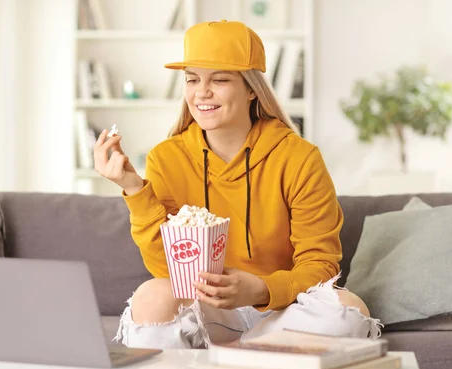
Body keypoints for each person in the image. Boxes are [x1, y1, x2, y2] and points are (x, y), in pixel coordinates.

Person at [94, 20, 382, 349]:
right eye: (192, 79)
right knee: (151, 297)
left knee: (349, 312)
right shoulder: (166, 158)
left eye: (219, 79)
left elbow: (320, 264)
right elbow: (168, 271)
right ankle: (256, 352)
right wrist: (133, 187)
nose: (202, 92)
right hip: (211, 314)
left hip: (283, 310)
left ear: (250, 89)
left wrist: (260, 289)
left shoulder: (299, 158)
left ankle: (235, 351)